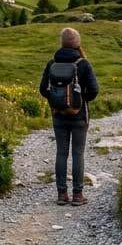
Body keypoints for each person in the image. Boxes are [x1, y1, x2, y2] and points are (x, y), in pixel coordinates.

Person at [39, 27, 99, 205]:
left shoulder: (52, 63)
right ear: (78, 42)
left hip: (58, 115)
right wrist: (81, 102)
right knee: (78, 153)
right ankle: (78, 195)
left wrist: (56, 102)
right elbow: (94, 90)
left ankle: (61, 194)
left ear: (62, 42)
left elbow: (43, 89)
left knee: (61, 153)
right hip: (79, 116)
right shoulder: (83, 63)